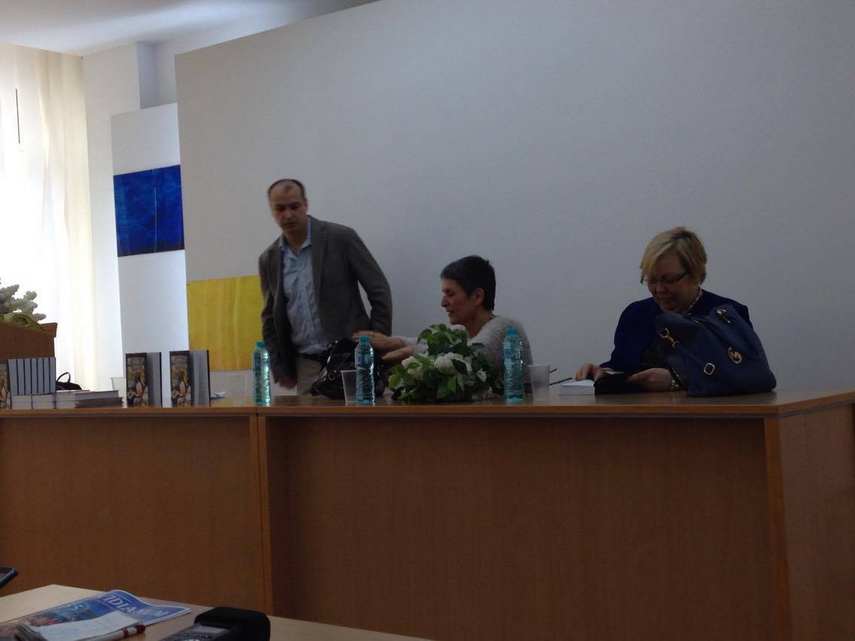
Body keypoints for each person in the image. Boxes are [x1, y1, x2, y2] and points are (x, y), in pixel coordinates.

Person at [575, 226, 752, 392]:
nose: (659, 289)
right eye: (651, 280)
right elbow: (622, 366)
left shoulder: (727, 315)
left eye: (669, 280)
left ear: (696, 274)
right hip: (637, 414)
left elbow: (747, 377)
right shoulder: (635, 314)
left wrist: (677, 381)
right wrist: (602, 372)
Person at [259, 179, 392, 394]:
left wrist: (380, 343)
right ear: (272, 211)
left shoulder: (341, 238)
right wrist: (279, 365)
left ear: (306, 204)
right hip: (306, 366)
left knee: (359, 416)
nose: (288, 215)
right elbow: (269, 317)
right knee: (308, 418)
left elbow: (379, 290)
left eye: (294, 206)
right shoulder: (269, 258)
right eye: (280, 208)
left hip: (352, 359)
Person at [357, 255, 532, 373]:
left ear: (477, 297)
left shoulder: (506, 328)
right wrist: (394, 342)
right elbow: (429, 344)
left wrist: (409, 352)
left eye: (450, 294)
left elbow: (465, 358)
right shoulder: (461, 333)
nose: (443, 303)